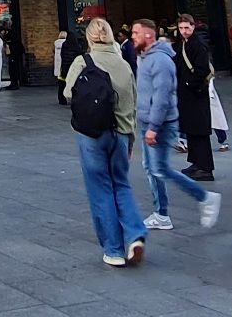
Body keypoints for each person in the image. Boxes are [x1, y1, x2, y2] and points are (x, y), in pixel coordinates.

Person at [64, 17, 147, 267]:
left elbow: (69, 93)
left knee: (100, 189)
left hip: (91, 135)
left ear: (89, 38)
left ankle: (113, 249)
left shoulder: (82, 62)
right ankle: (135, 235)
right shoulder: (124, 65)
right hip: (120, 134)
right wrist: (130, 139)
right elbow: (132, 105)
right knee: (121, 185)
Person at [131, 19, 220, 235]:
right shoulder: (145, 58)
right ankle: (161, 214)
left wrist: (153, 126)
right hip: (148, 122)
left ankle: (205, 198)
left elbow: (161, 96)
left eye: (136, 33)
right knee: (152, 169)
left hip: (159, 124)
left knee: (160, 169)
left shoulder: (160, 61)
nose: (132, 36)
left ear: (149, 36)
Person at [173, 15, 214, 181]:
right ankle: (197, 163)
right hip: (189, 94)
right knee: (192, 130)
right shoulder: (184, 43)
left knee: (199, 131)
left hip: (195, 94)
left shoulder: (198, 45)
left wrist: (190, 85)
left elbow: (202, 69)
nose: (184, 31)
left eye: (187, 28)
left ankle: (205, 167)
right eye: (181, 28)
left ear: (193, 27)